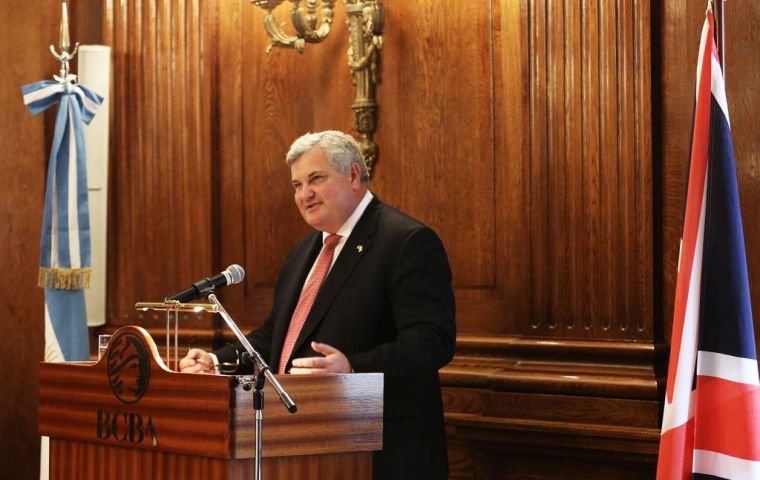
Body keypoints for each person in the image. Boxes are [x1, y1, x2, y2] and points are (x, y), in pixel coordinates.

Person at [179, 130, 456, 479]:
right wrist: (218, 361)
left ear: (353, 175)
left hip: (379, 453)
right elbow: (277, 339)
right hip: (300, 447)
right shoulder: (303, 252)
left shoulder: (406, 241)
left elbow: (433, 341)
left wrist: (353, 368)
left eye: (315, 179)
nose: (304, 194)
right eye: (296, 185)